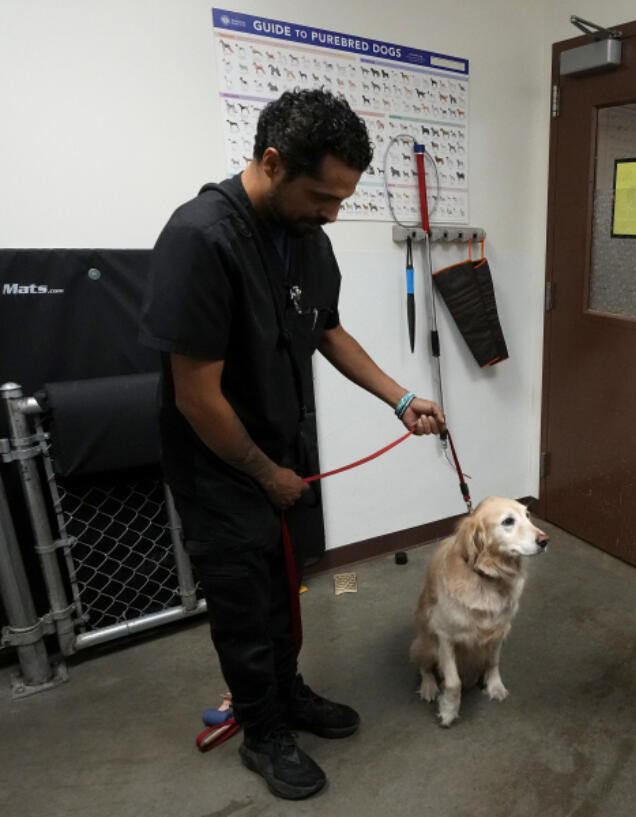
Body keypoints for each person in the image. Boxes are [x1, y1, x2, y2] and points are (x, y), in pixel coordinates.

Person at [139, 89, 445, 800]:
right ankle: (264, 732)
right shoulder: (201, 238)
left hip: (281, 453)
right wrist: (264, 470)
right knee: (244, 604)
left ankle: (289, 693)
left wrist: (399, 397)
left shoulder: (307, 238)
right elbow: (196, 395)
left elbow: (327, 329)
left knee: (284, 588)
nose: (332, 213)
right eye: (321, 194)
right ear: (272, 163)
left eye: (342, 197)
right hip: (221, 463)